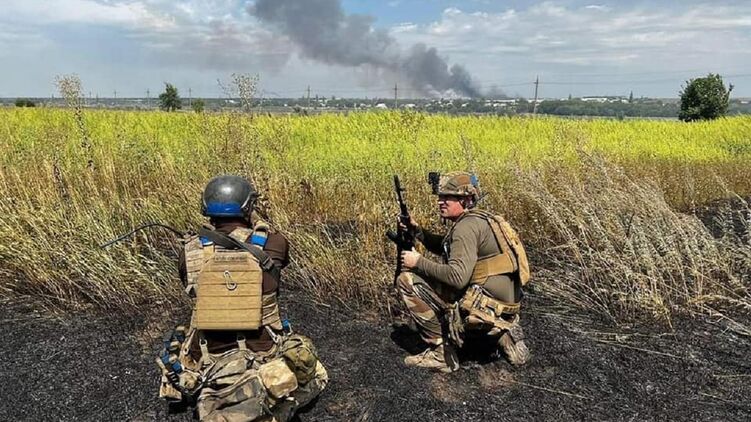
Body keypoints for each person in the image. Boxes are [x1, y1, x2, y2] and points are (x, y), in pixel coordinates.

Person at [157, 175, 328, 422]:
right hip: (263, 354)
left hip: (208, 360)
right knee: (318, 373)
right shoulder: (274, 242)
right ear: (248, 207)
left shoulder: (189, 251)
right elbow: (279, 259)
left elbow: (190, 284)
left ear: (207, 210)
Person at [395, 171, 530, 373]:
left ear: (466, 200)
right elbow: (447, 246)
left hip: (485, 304)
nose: (440, 202)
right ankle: (502, 332)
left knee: (406, 281)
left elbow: (457, 278)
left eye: (448, 197)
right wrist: (419, 232)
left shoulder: (464, 228)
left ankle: (442, 355)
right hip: (506, 305)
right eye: (440, 196)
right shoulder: (480, 220)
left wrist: (418, 262)